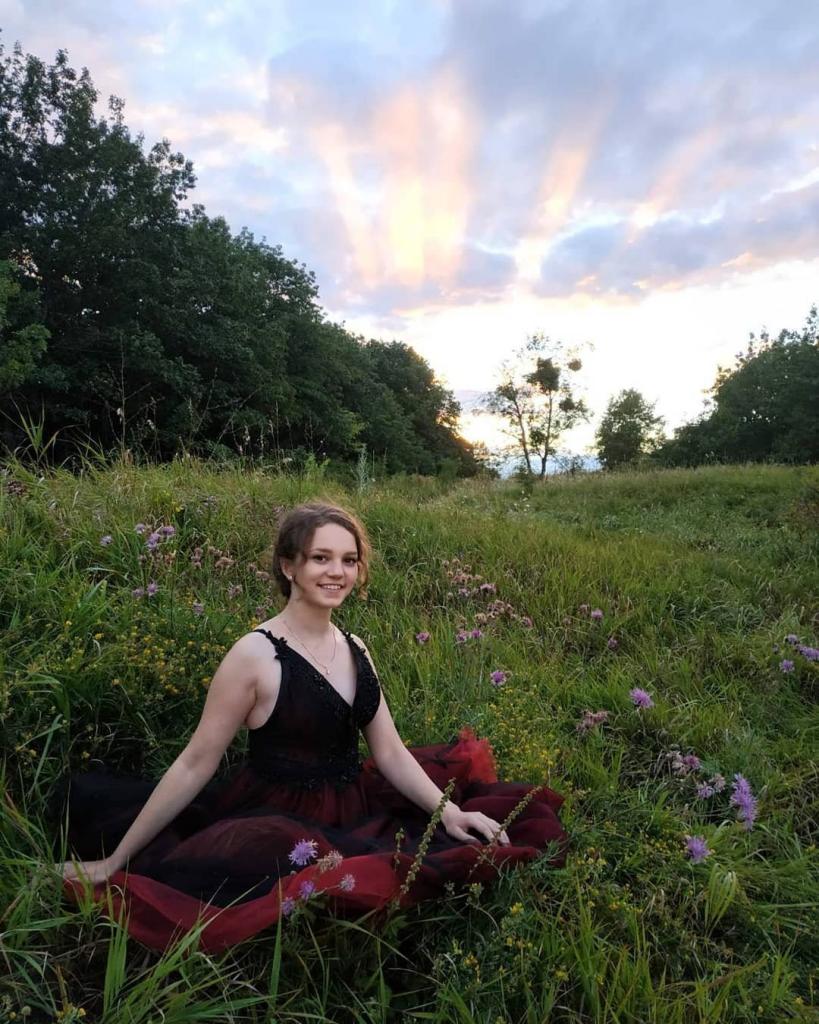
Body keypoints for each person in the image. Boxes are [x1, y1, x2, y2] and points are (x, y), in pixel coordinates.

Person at [56, 501, 568, 952]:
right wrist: (116, 860)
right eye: (321, 558)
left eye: (349, 560)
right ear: (289, 566)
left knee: (465, 840)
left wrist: (449, 812)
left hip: (354, 803)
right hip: (277, 817)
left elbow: (389, 752)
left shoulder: (356, 647)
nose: (337, 572)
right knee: (315, 881)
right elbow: (195, 763)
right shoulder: (255, 656)